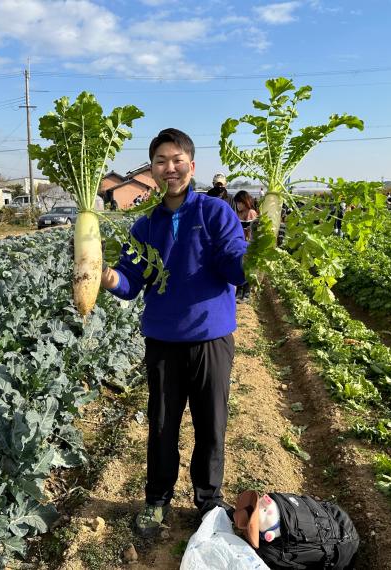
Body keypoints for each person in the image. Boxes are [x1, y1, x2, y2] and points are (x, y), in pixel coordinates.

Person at [100, 128, 246, 537]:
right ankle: (157, 498)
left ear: (191, 166)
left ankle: (208, 501)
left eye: (177, 160)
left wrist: (255, 259)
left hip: (211, 338)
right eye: (161, 162)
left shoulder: (215, 214)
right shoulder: (145, 226)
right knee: (162, 423)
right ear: (151, 170)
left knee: (210, 423)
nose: (170, 168)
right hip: (163, 340)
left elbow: (234, 263)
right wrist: (108, 276)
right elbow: (130, 282)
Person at [233, 190, 258, 302]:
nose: (238, 205)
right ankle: (239, 292)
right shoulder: (238, 214)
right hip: (240, 245)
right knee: (240, 267)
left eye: (240, 203)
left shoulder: (251, 213)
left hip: (249, 245)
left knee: (247, 269)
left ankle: (246, 294)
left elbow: (253, 231)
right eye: (237, 203)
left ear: (245, 202)